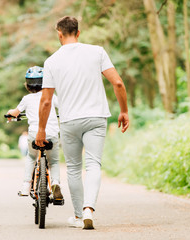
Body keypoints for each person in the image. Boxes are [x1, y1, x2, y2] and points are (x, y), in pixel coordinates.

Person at [35, 16, 129, 230]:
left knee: (75, 169)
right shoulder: (97, 52)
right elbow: (118, 82)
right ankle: (89, 209)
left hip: (70, 121)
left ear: (60, 34)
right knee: (94, 164)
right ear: (78, 33)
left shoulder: (51, 62)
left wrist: (41, 130)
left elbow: (46, 100)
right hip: (96, 118)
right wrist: (123, 111)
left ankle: (78, 216)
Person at [7, 66, 63, 201]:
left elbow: (16, 112)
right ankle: (55, 183)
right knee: (54, 161)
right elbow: (63, 107)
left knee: (31, 158)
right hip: (52, 134)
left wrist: (10, 113)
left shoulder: (26, 99)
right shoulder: (51, 97)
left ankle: (26, 185)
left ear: (27, 84)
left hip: (34, 134)